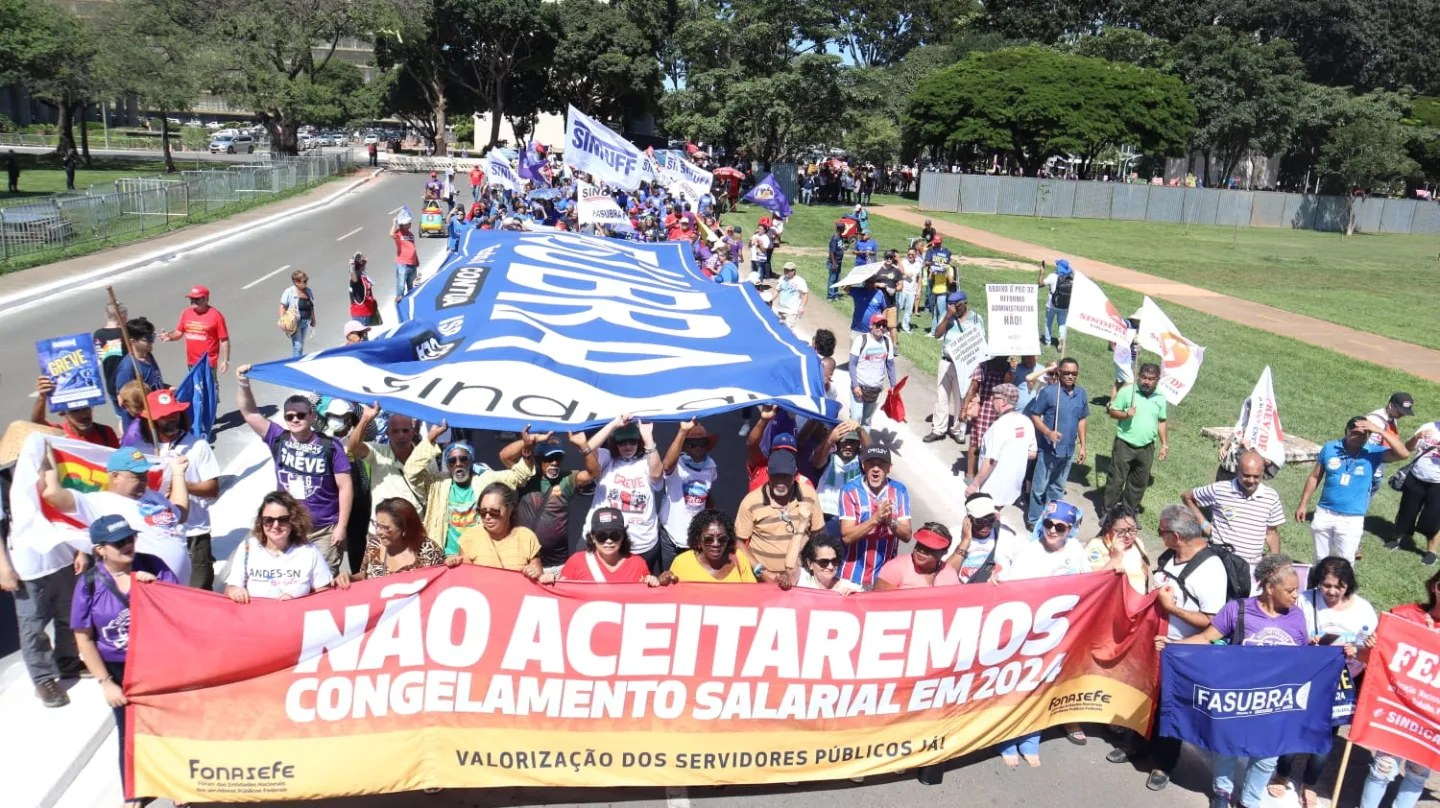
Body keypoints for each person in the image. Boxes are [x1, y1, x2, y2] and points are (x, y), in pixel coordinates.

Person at [1157, 554, 1307, 808]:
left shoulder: (1297, 617)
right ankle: (1222, 793)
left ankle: (1249, 800)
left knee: (1267, 756)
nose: (1296, 596)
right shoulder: (1238, 610)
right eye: (1290, 590)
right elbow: (1206, 638)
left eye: (1297, 590)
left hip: (1275, 700)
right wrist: (1174, 646)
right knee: (1227, 748)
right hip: (1238, 695)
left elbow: (1303, 658)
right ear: (1270, 588)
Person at [1108, 505, 1227, 790]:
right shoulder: (1171, 556)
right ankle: (1136, 745)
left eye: (1161, 532)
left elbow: (1213, 621)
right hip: (1154, 644)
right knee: (1146, 698)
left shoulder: (1211, 570)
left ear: (1176, 535)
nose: (1159, 536)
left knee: (1171, 710)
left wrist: (1172, 609)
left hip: (1183, 652)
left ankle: (1163, 764)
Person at [71, 515, 177, 808]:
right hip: (119, 669)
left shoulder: (154, 566)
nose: (128, 545)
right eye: (119, 543)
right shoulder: (89, 584)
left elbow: (181, 609)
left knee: (169, 724)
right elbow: (84, 639)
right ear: (100, 550)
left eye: (130, 538)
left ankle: (179, 783)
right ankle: (134, 791)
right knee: (129, 730)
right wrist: (106, 682)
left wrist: (156, 589)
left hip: (158, 662)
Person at [995, 499, 1088, 763]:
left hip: (1059, 634)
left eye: (1061, 527)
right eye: (1048, 524)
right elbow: (1012, 592)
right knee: (1018, 686)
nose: (1053, 530)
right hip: (1028, 633)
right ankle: (1007, 740)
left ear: (1070, 529)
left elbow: (1090, 582)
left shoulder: (1076, 550)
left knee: (1044, 687)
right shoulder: (1030, 553)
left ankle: (1031, 738)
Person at [236, 367, 353, 577]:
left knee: (323, 580)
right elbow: (250, 413)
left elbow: (345, 487)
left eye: (300, 415)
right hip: (288, 527)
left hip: (323, 529)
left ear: (312, 416)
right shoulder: (277, 438)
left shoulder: (330, 446)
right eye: (290, 416)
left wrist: (341, 527)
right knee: (291, 578)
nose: (295, 419)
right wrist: (243, 383)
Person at [1279, 556, 1375, 807]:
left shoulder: (1364, 610)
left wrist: (1357, 651)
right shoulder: (1304, 599)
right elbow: (1288, 632)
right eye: (1326, 585)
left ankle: (1309, 784)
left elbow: (1371, 654)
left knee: (1325, 736)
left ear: (1348, 584)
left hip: (1340, 684)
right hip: (1306, 677)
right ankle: (1282, 774)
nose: (1331, 592)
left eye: (1338, 586)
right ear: (1318, 582)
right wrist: (1307, 642)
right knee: (1293, 727)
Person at [120, 389, 221, 590]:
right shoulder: (138, 450)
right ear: (150, 420)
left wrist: (182, 485)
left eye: (174, 413)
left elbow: (212, 488)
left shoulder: (198, 446)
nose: (171, 419)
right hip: (154, 533)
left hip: (193, 532)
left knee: (198, 593)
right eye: (164, 416)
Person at [1357, 569, 1440, 808]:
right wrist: (1372, 647)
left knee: (1418, 772)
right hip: (1397, 709)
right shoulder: (1404, 617)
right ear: (1435, 587)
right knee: (1382, 768)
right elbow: (1366, 659)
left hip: (1432, 716)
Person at [1296, 416, 1408, 563]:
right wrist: (1303, 504)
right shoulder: (1330, 448)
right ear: (1347, 431)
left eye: (1364, 434)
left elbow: (1403, 454)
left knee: (1345, 561)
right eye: (1355, 432)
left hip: (1352, 517)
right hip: (1325, 512)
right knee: (1320, 558)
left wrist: (1380, 431)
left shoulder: (1373, 453)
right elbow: (1315, 477)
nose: (1358, 437)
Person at [412, 435, 535, 554]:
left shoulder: (485, 480)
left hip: (477, 556)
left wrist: (527, 450)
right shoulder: (438, 483)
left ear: (471, 461)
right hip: (445, 556)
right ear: (448, 465)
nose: (458, 464)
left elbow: (519, 476)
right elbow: (412, 473)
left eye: (463, 459)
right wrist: (431, 438)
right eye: (452, 460)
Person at [504, 433, 599, 575]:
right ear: (539, 459)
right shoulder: (526, 476)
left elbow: (593, 473)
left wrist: (583, 446)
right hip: (522, 559)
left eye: (558, 458)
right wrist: (527, 442)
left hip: (555, 564)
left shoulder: (567, 479)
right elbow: (505, 457)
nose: (554, 462)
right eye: (549, 458)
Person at [223, 491, 338, 602]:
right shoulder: (247, 548)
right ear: (261, 522)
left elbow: (324, 594)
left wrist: (295, 600)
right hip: (257, 614)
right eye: (269, 520)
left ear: (293, 521)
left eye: (283, 520)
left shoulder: (309, 551)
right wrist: (234, 591)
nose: (276, 525)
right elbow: (231, 588)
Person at [586, 415, 665, 572]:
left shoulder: (646, 461)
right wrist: (613, 425)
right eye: (622, 442)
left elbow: (656, 474)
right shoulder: (607, 459)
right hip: (610, 543)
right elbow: (588, 449)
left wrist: (648, 439)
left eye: (632, 441)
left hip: (643, 543)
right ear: (615, 443)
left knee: (643, 584)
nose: (628, 446)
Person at [1183, 450, 1286, 571]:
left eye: (1256, 476)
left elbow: (1271, 534)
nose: (1251, 480)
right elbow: (1187, 497)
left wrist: (1274, 566)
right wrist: (1204, 525)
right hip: (1219, 563)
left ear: (1262, 472)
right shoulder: (1220, 489)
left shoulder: (1271, 497)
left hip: (1249, 569)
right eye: (1246, 475)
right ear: (1237, 470)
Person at [736, 448, 823, 586]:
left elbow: (819, 536)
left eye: (786, 476)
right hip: (764, 581)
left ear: (795, 475)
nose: (780, 482)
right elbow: (738, 543)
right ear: (768, 473)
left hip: (801, 579)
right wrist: (762, 572)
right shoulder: (751, 502)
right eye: (776, 475)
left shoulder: (809, 495)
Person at [1024, 358, 1088, 529]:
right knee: (1039, 488)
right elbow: (1035, 415)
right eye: (1066, 372)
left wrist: (1083, 446)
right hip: (1048, 449)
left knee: (1057, 488)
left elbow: (1082, 419)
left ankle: (1051, 517)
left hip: (1068, 450)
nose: (1070, 376)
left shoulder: (1081, 394)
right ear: (1059, 372)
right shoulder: (1049, 392)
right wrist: (1047, 432)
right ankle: (1033, 520)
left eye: (1074, 373)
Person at [838, 447, 913, 589]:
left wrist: (890, 521)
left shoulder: (899, 491)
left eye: (881, 464)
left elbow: (907, 535)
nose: (876, 469)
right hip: (852, 576)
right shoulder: (849, 491)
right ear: (863, 465)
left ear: (889, 468)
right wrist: (875, 519)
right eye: (871, 464)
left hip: (886, 578)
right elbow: (847, 537)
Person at [1104, 363, 1168, 513]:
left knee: (1138, 483)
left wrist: (1164, 444)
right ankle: (1108, 513)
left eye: (1151, 379)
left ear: (1157, 380)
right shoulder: (1128, 392)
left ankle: (1128, 513)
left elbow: (1162, 421)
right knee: (1116, 481)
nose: (1147, 382)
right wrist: (1126, 414)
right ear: (1138, 376)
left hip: (1147, 447)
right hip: (1124, 444)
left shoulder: (1160, 397)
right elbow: (1112, 412)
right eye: (1144, 377)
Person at [447, 482, 544, 580]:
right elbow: (465, 579)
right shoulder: (469, 538)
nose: (487, 517)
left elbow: (539, 575)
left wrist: (535, 572)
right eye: (483, 512)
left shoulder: (527, 537)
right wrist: (454, 564)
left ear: (509, 510)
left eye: (494, 512)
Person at [658, 421, 721, 571]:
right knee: (669, 577)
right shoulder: (677, 464)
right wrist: (682, 431)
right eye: (692, 445)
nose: (698, 449)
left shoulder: (710, 466)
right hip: (670, 537)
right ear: (685, 447)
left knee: (691, 577)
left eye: (702, 445)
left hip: (696, 536)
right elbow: (666, 466)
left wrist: (714, 516)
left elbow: (707, 492)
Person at [925, 291, 984, 443]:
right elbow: (937, 334)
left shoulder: (976, 319)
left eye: (956, 306)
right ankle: (938, 429)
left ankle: (957, 429)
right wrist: (947, 317)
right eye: (950, 305)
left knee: (960, 397)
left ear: (964, 303)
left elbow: (980, 342)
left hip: (964, 365)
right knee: (942, 397)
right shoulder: (948, 317)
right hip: (946, 362)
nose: (953, 308)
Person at [967, 383, 1036, 509]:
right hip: (1011, 489)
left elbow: (991, 461)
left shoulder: (999, 426)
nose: (991, 401)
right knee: (996, 513)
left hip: (991, 488)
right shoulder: (1026, 422)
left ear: (1003, 401)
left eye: (994, 398)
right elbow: (1032, 453)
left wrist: (974, 484)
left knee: (979, 516)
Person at [347, 498, 444, 581]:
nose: (378, 532)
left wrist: (450, 562)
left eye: (386, 528)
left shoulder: (428, 549)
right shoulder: (374, 545)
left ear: (404, 528)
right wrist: (351, 578)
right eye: (377, 525)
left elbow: (442, 578)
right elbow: (365, 574)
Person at [559, 508, 660, 585]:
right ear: (593, 537)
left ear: (623, 536)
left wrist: (652, 582)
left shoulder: (638, 564)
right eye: (601, 536)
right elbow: (561, 591)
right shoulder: (576, 562)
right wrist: (551, 582)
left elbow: (646, 599)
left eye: (615, 535)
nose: (608, 541)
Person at [659, 508, 758, 584]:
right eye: (708, 539)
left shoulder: (739, 558)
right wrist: (663, 582)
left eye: (722, 539)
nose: (716, 544)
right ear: (698, 540)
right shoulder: (681, 563)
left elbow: (752, 593)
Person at [1389, 416, 1440, 558]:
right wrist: (1417, 437)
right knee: (1406, 512)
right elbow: (1408, 448)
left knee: (1433, 519)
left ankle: (1431, 552)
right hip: (1416, 477)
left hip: (1438, 484)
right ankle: (1396, 539)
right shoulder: (1429, 426)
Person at [962, 356, 1015, 479]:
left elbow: (1007, 387)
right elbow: (972, 388)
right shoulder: (983, 367)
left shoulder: (1008, 369)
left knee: (995, 444)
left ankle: (986, 474)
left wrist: (1010, 372)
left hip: (1000, 411)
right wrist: (964, 409)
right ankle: (970, 473)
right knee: (976, 442)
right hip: (984, 410)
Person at [31, 375, 120, 447]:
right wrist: (42, 397)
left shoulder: (105, 433)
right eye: (75, 411)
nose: (83, 415)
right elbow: (37, 423)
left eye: (86, 408)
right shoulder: (59, 433)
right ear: (62, 413)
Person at [158, 285, 229, 374]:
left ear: (206, 299)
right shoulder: (186, 313)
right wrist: (170, 337)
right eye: (191, 298)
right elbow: (179, 332)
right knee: (195, 383)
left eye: (196, 299)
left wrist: (225, 360)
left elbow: (224, 339)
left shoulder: (216, 316)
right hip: (192, 362)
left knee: (210, 383)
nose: (193, 301)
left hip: (208, 362)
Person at [110, 318, 165, 427]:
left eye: (152, 336)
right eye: (148, 339)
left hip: (157, 416)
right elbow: (123, 401)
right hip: (141, 425)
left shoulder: (148, 355)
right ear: (132, 341)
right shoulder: (128, 368)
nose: (152, 342)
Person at [813, 421, 866, 534]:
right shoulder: (829, 457)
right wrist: (829, 440)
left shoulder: (861, 462)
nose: (848, 446)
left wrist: (860, 430)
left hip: (850, 517)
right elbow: (817, 462)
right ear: (837, 442)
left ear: (858, 444)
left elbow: (873, 452)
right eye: (844, 441)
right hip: (823, 514)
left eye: (852, 442)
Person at [1085, 503, 1150, 593]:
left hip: (1139, 598)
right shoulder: (1096, 546)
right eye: (1121, 531)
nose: (1127, 535)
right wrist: (1115, 559)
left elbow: (1146, 573)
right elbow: (1092, 583)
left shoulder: (1138, 543)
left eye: (1132, 530)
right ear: (1108, 528)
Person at [874, 523, 960, 590]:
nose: (922, 551)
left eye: (929, 547)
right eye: (920, 544)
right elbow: (878, 602)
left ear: (944, 552)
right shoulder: (895, 568)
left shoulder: (950, 574)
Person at [848, 314, 896, 426]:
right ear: (871, 325)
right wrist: (855, 385)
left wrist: (893, 385)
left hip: (875, 390)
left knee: (867, 420)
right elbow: (852, 364)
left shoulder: (887, 342)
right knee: (855, 418)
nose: (881, 328)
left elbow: (890, 365)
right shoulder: (861, 340)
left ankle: (864, 438)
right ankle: (851, 437)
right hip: (860, 387)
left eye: (884, 325)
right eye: (878, 325)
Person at [795, 533, 862, 593]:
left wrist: (854, 597)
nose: (831, 567)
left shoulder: (849, 587)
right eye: (824, 562)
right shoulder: (801, 581)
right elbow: (790, 569)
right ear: (810, 563)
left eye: (834, 561)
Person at [278, 270, 317, 357]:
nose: (306, 283)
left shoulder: (308, 291)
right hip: (295, 323)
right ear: (296, 282)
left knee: (301, 344)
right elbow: (282, 306)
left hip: (306, 322)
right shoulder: (289, 292)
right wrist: (282, 320)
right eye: (304, 281)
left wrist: (313, 319)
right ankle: (296, 361)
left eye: (306, 280)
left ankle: (298, 359)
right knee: (297, 346)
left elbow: (311, 306)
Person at [1038, 259, 1074, 349]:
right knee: (1062, 324)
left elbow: (1040, 284)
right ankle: (1061, 338)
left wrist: (1041, 273)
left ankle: (1048, 342)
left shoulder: (1053, 276)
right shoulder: (1070, 278)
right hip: (1065, 306)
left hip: (1051, 305)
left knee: (1048, 323)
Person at [391, 214, 420, 302]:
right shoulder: (399, 233)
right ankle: (399, 300)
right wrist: (394, 223)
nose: (410, 224)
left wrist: (416, 260)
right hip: (402, 264)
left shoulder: (411, 234)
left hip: (412, 264)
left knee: (412, 286)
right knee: (401, 285)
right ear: (403, 225)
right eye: (408, 223)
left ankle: (410, 302)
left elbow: (413, 247)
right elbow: (391, 234)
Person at [774, 261, 809, 332]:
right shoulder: (782, 279)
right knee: (779, 329)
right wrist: (771, 300)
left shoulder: (799, 281)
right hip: (781, 309)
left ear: (793, 271)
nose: (786, 272)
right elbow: (777, 290)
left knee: (787, 331)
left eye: (788, 270)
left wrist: (802, 306)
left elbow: (805, 294)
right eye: (785, 270)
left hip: (792, 312)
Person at [348, 252, 380, 327]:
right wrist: (351, 267)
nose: (365, 264)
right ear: (360, 264)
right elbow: (354, 279)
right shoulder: (356, 277)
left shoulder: (363, 274)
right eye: (364, 262)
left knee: (366, 333)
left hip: (367, 311)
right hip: (361, 314)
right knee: (362, 334)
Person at [898, 247, 922, 333]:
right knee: (899, 307)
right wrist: (905, 274)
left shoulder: (918, 265)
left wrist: (918, 290)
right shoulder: (903, 262)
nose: (910, 256)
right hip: (902, 289)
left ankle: (905, 327)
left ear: (916, 255)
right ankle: (894, 325)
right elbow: (898, 272)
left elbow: (919, 278)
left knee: (909, 310)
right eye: (909, 254)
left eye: (912, 254)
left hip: (912, 290)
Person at [826, 222, 846, 300]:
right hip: (834, 262)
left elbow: (839, 248)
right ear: (840, 229)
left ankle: (835, 294)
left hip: (839, 261)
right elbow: (832, 252)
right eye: (844, 228)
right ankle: (830, 296)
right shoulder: (835, 238)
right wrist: (834, 263)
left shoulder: (840, 237)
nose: (845, 230)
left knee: (837, 278)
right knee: (832, 279)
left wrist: (843, 248)